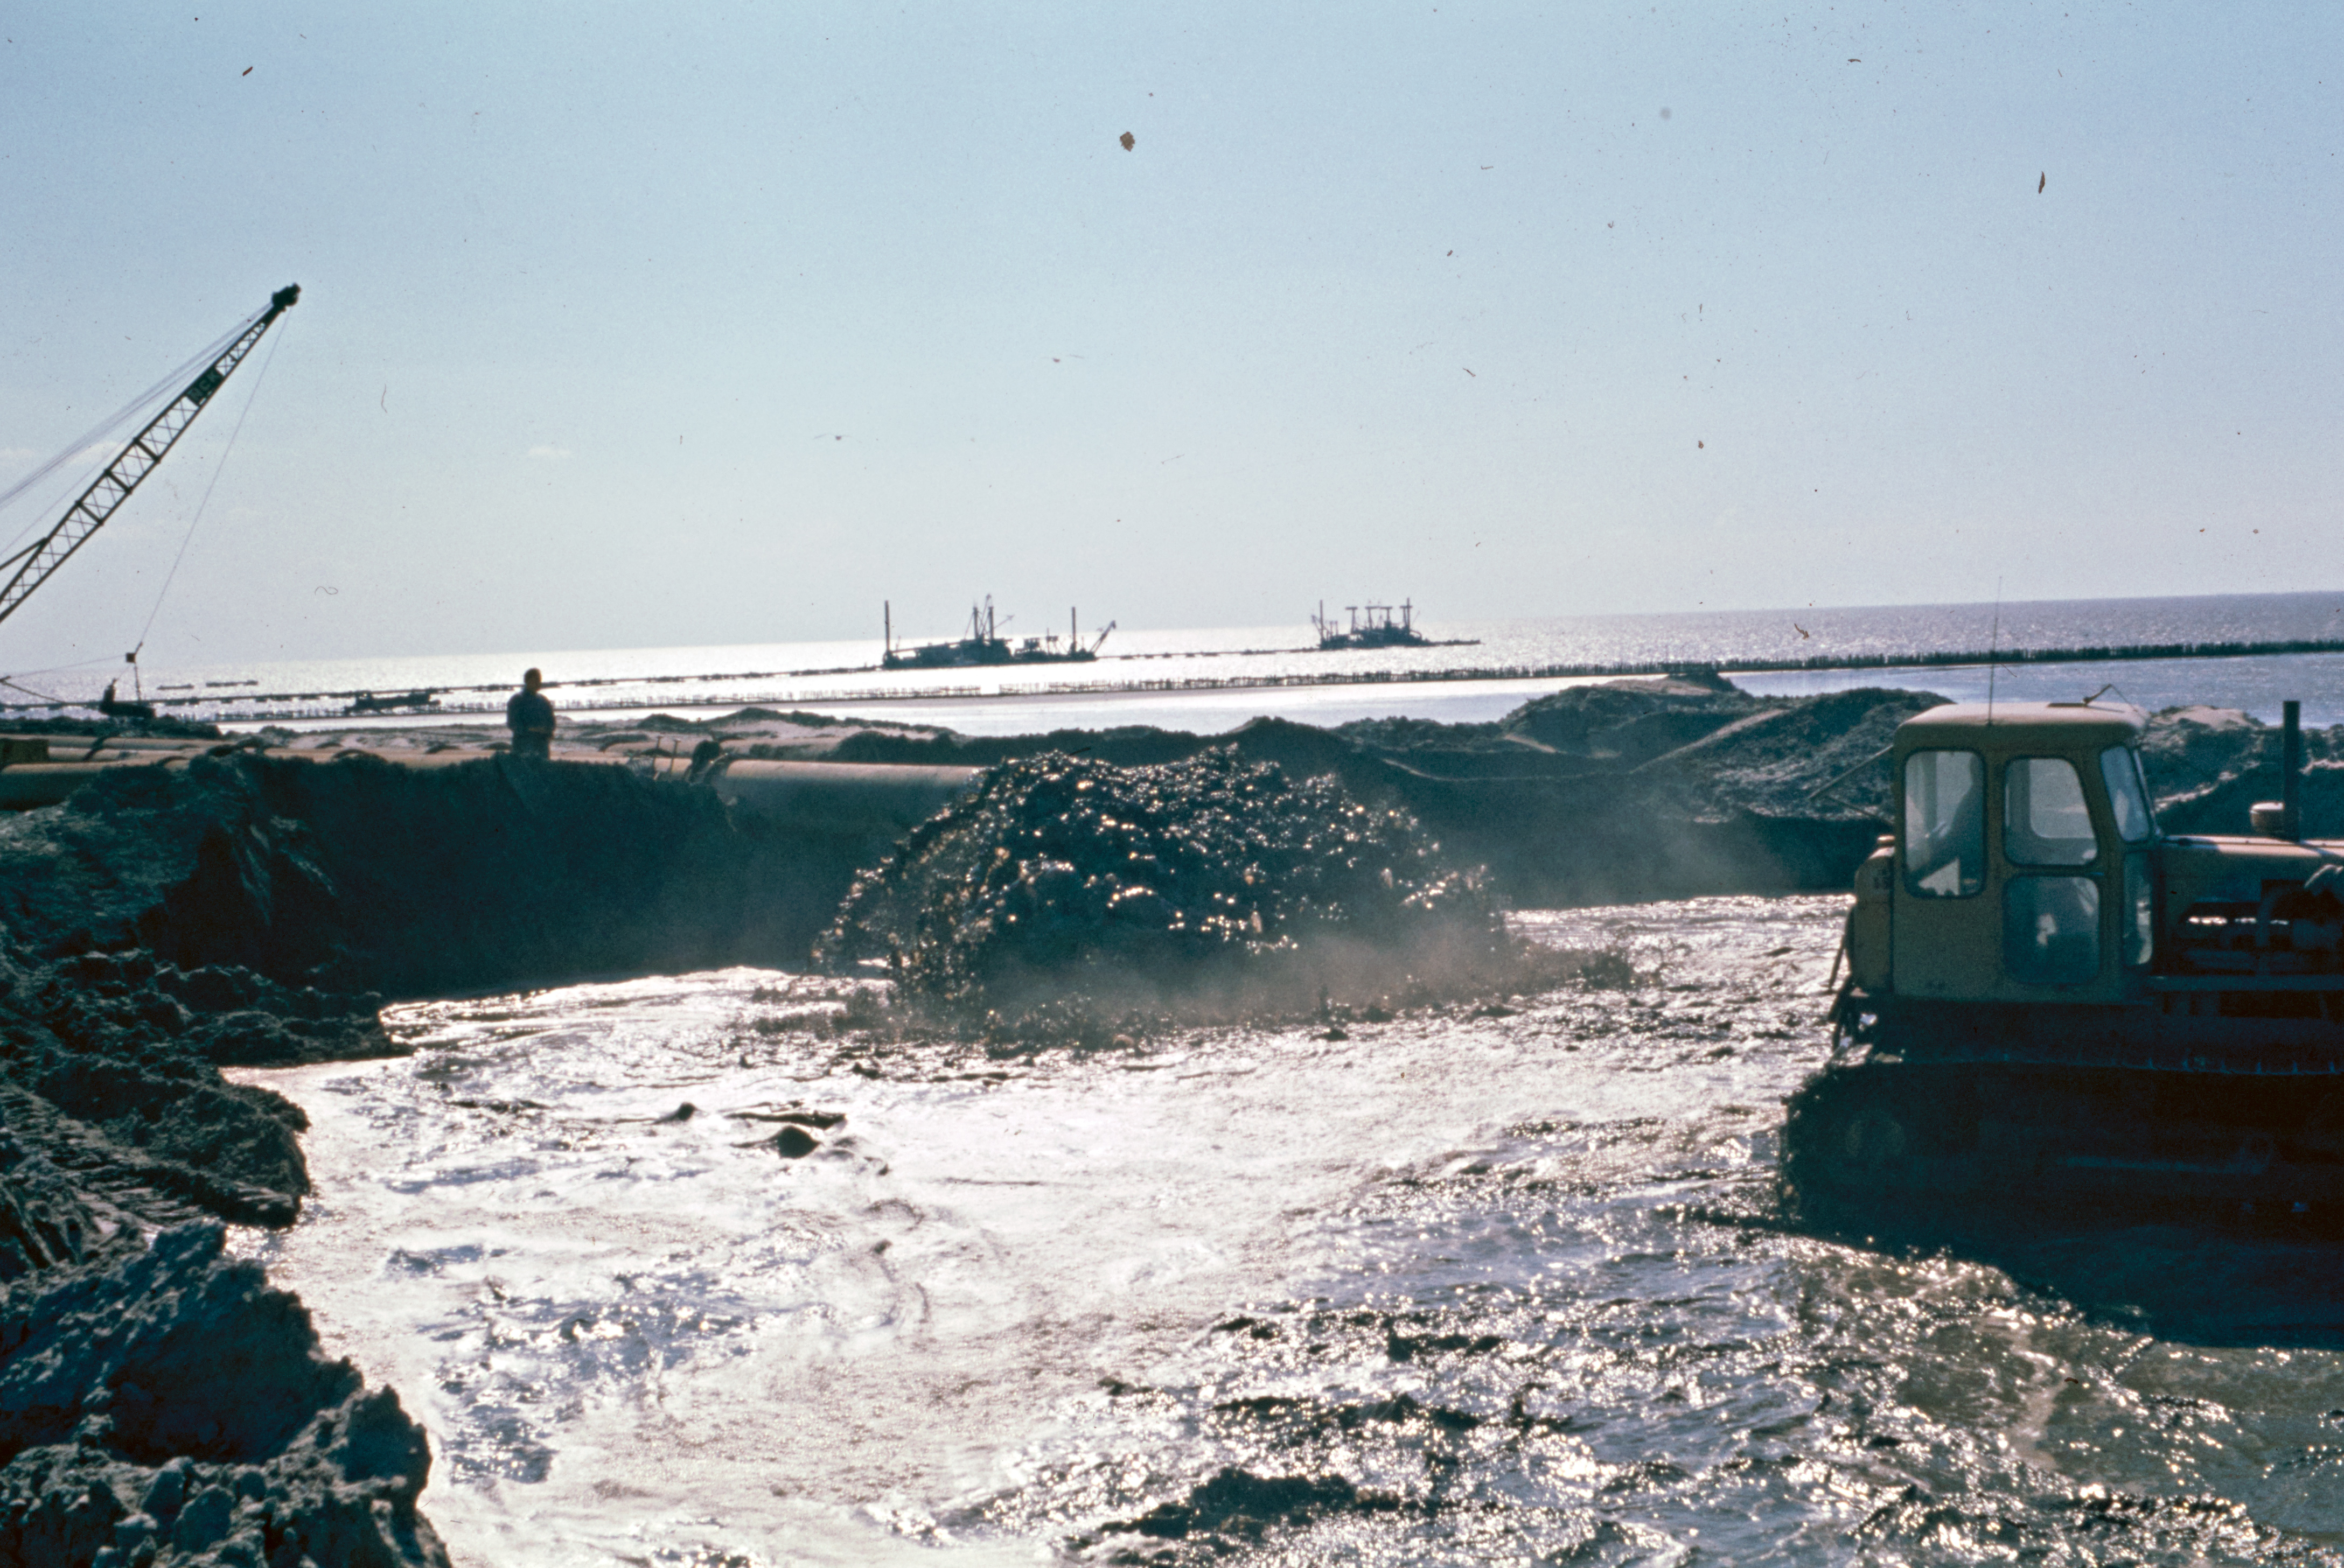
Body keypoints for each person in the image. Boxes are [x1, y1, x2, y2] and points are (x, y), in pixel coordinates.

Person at [506, 668, 555, 759]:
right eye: (536, 680)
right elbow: (512, 723)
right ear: (527, 681)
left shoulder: (543, 701)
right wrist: (531, 730)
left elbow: (551, 722)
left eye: (539, 681)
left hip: (542, 745)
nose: (539, 683)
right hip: (523, 746)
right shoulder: (517, 700)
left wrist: (548, 732)